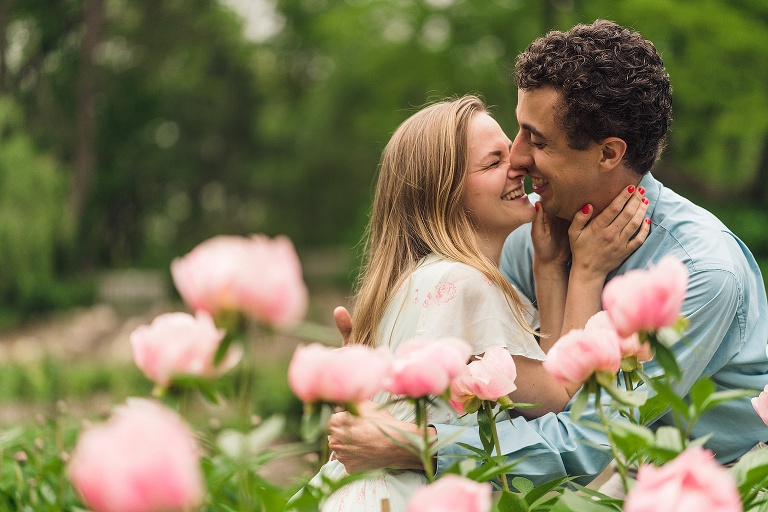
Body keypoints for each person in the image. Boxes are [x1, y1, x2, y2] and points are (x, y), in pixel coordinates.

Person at [327, 19, 768, 489]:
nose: (516, 157)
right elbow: (506, 378)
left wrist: (421, 444)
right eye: (517, 133)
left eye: (536, 141)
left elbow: (591, 437)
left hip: (710, 485)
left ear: (608, 153)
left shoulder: (699, 272)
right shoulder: (527, 237)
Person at [296, 94, 648, 511]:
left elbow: (543, 375)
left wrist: (549, 268)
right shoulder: (465, 284)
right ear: (446, 193)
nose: (518, 164)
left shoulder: (418, 280)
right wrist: (587, 272)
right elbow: (559, 395)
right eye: (493, 161)